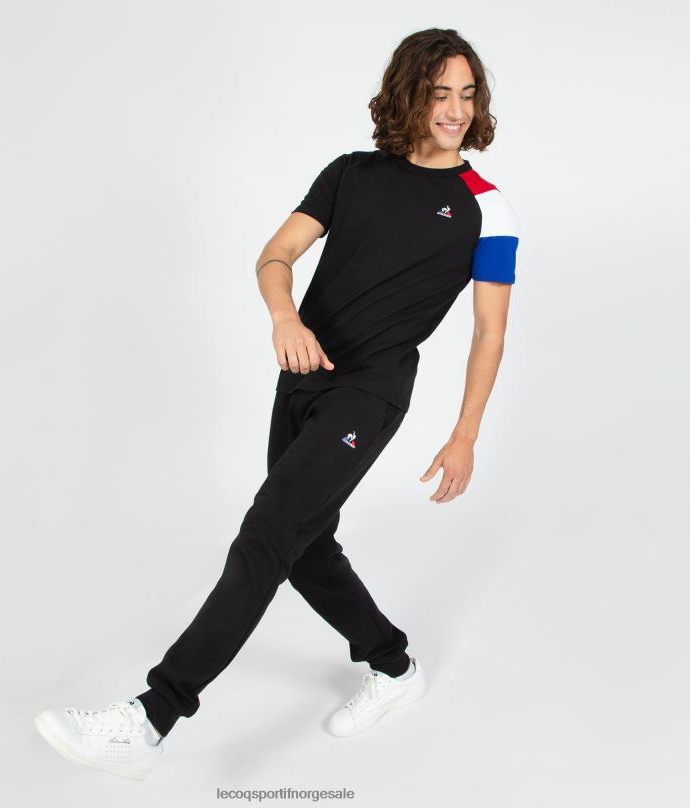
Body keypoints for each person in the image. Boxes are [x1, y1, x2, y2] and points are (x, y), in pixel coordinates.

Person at [34, 27, 520, 781]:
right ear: (409, 95)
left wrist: (465, 434)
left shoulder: (487, 207)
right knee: (306, 548)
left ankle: (151, 717)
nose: (455, 110)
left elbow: (489, 331)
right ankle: (393, 666)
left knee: (265, 535)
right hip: (302, 374)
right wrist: (284, 317)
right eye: (439, 94)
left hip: (370, 392)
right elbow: (276, 254)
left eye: (467, 94)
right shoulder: (350, 173)